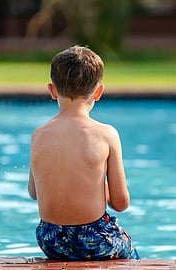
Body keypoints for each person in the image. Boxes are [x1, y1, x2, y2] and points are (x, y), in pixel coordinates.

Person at [27, 45, 139, 261]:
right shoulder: (106, 134)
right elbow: (121, 203)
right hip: (94, 239)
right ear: (98, 92)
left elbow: (34, 193)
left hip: (50, 239)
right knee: (131, 253)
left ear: (52, 90)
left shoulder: (39, 135)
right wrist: (98, 190)